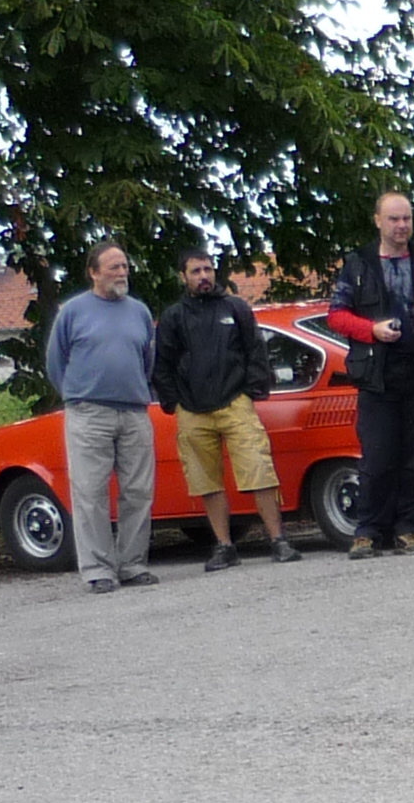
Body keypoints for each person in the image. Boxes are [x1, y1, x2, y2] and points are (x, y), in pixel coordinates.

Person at [324, 192, 414, 557]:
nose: (402, 226)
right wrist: (372, 330)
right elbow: (336, 316)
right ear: (378, 221)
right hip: (377, 376)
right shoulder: (358, 264)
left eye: (407, 219)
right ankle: (367, 531)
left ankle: (408, 529)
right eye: (394, 219)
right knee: (378, 458)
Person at [153, 249, 290, 569]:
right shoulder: (174, 316)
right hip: (192, 410)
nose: (203, 276)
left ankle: (278, 540)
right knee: (205, 481)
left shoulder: (235, 307)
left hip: (235, 403)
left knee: (259, 471)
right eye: (196, 271)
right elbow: (163, 365)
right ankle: (225, 546)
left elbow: (255, 350)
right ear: (182, 276)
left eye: (208, 269)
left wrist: (252, 391)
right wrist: (173, 402)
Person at [44, 244, 161, 593]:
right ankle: (98, 570)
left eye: (124, 266)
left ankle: (132, 565)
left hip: (134, 411)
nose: (121, 272)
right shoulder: (73, 312)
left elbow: (147, 361)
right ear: (93, 273)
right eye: (113, 267)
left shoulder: (139, 312)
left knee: (138, 491)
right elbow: (55, 363)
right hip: (88, 413)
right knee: (90, 493)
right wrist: (77, 396)